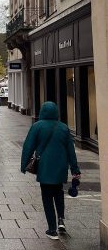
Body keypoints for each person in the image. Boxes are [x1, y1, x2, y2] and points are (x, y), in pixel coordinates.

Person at [21, 101, 81, 240]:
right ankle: (61, 220)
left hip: (45, 167)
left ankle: (52, 229)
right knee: (59, 193)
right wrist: (75, 169)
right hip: (60, 167)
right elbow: (71, 150)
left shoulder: (37, 126)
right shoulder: (64, 128)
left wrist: (24, 164)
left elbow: (28, 146)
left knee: (47, 197)